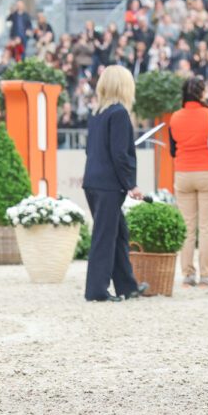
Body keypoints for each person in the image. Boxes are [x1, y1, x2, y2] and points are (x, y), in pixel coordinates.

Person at [81, 65, 149, 302]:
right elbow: (120, 154)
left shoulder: (98, 113)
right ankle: (97, 291)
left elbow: (90, 149)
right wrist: (131, 184)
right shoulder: (119, 113)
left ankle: (127, 286)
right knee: (105, 237)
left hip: (93, 181)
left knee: (119, 233)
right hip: (109, 185)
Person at [168, 76, 208, 288]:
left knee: (188, 227)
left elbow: (173, 150)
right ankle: (206, 275)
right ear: (202, 93)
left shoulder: (175, 117)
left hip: (183, 172)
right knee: (207, 227)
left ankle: (188, 274)